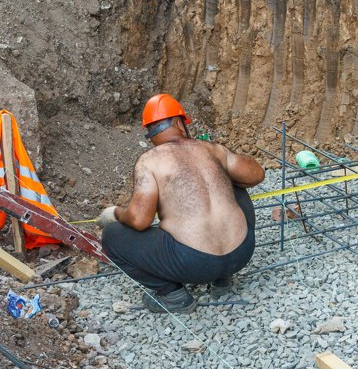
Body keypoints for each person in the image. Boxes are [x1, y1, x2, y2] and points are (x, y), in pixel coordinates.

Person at [96, 94, 265, 313]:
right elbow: (257, 174)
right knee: (237, 183)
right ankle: (222, 279)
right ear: (179, 123)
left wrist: (116, 213)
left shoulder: (150, 161)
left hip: (194, 264)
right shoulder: (212, 149)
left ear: (151, 132)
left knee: (113, 235)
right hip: (242, 253)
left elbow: (140, 220)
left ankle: (174, 296)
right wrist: (220, 172)